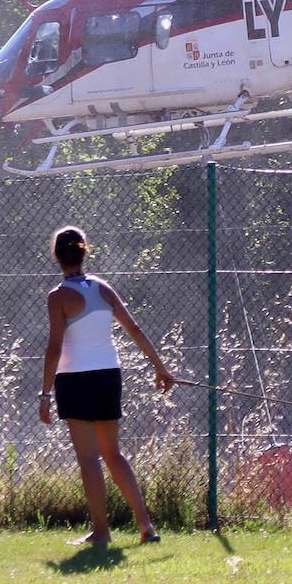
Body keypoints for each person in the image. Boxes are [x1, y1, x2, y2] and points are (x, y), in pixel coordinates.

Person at [38, 226, 174, 546]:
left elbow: (55, 346)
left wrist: (44, 393)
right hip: (108, 376)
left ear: (57, 256)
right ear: (84, 252)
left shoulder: (57, 297)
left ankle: (101, 533)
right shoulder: (103, 288)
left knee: (89, 458)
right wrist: (160, 368)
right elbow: (135, 328)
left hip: (76, 379)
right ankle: (146, 526)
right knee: (112, 453)